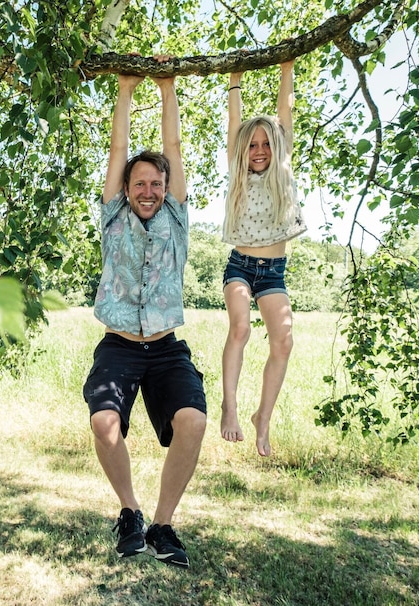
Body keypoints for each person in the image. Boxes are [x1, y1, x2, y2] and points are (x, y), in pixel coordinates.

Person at [82, 57, 208, 569]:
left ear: (166, 187)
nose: (149, 191)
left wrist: (168, 87)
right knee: (104, 421)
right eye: (140, 183)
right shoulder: (113, 214)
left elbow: (173, 149)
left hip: (166, 347)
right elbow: (117, 149)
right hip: (119, 345)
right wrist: (127, 90)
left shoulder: (176, 217)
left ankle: (162, 524)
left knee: (193, 421)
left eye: (157, 183)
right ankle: (130, 513)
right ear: (128, 188)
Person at [219, 60, 304, 457]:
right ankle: (230, 406)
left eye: (266, 143)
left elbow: (284, 113)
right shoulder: (238, 170)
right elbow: (235, 126)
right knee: (240, 329)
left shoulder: (283, 170)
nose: (258, 150)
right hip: (240, 266)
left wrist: (287, 67)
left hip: (273, 272)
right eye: (252, 144)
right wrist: (234, 80)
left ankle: (263, 418)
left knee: (283, 340)